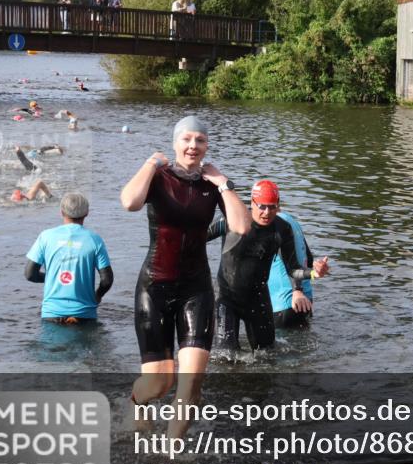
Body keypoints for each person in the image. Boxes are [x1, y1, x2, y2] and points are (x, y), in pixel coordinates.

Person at [120, 115, 249, 438]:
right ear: (176, 142)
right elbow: (129, 203)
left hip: (196, 288)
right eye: (187, 139)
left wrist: (223, 183)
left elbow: (242, 226)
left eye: (200, 141)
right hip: (155, 286)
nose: (193, 146)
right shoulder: (159, 177)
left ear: (207, 145)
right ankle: (137, 401)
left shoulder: (211, 183)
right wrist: (150, 165)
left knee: (191, 381)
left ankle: (172, 449)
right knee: (159, 384)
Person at [207, 180, 320, 352]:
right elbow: (196, 238)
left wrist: (313, 273)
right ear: (252, 203)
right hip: (226, 298)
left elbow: (293, 269)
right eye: (262, 206)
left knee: (268, 354)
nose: (267, 212)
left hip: (257, 298)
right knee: (225, 356)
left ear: (278, 205)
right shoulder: (230, 219)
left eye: (272, 207)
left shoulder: (282, 228)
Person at [24, 192, 113, 324]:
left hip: (51, 314)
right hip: (84, 314)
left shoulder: (46, 237)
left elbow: (30, 274)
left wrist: (51, 277)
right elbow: (107, 280)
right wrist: (98, 295)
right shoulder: (95, 240)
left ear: (61, 212)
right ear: (87, 213)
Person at [266, 194, 330, 328]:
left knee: (274, 348)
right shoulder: (292, 221)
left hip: (284, 303)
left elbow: (290, 263)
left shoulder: (273, 225)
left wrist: (297, 290)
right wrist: (316, 269)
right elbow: (308, 259)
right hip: (306, 302)